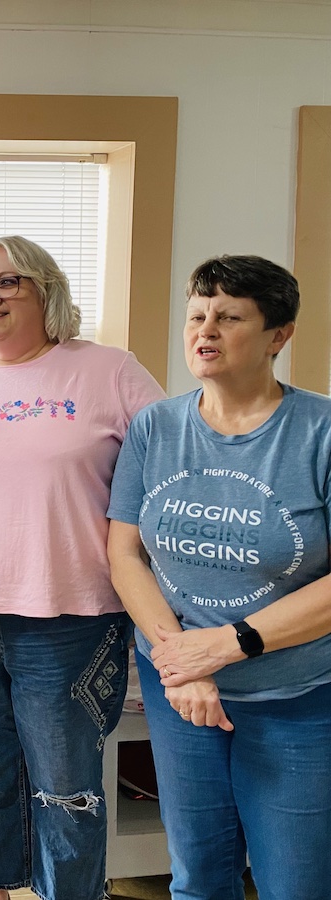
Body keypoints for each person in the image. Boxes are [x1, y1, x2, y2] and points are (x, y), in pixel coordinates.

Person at [0, 235, 165, 900]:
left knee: (65, 788)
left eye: (7, 282)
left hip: (68, 616)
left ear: (46, 290)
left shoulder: (106, 370)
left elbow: (173, 460)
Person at [107, 255, 331, 900]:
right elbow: (125, 554)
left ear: (278, 335)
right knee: (200, 877)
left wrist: (230, 643)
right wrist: (183, 660)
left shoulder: (318, 431)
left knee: (296, 882)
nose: (206, 329)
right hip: (182, 691)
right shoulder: (156, 427)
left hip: (297, 696)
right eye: (198, 315)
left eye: (230, 317)